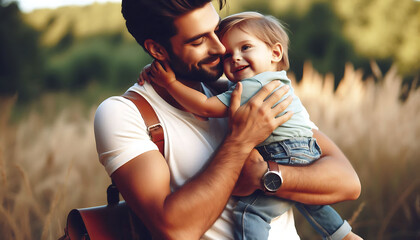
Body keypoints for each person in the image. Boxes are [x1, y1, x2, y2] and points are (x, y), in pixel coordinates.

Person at [93, 0, 361, 239]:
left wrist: (266, 176)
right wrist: (240, 141)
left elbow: (348, 184)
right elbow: (176, 231)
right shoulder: (124, 114)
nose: (221, 47)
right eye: (198, 41)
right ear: (157, 50)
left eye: (217, 30)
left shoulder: (242, 88)